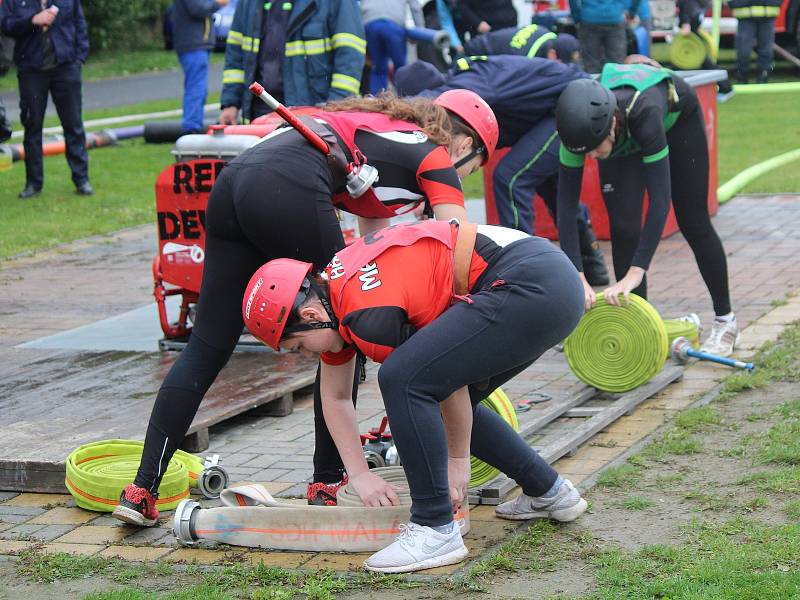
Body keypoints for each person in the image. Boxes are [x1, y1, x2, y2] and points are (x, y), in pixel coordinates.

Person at [112, 90, 500, 526]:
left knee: (207, 345)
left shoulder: (378, 127)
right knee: (344, 323)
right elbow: (458, 242)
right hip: (289, 184)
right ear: (466, 146)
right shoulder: (433, 155)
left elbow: (378, 241)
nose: (463, 176)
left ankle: (142, 489)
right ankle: (328, 480)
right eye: (472, 171)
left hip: (235, 179)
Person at [243, 219, 588, 574]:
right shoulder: (335, 294)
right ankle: (549, 491)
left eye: (298, 346)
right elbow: (335, 397)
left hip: (529, 284)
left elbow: (438, 382)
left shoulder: (368, 314)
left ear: (311, 315)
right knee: (424, 392)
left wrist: (457, 460)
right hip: (545, 280)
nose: (306, 356)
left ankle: (434, 528)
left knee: (403, 380)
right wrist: (359, 475)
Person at [555, 62, 740, 356]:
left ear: (610, 126)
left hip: (676, 122)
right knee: (624, 227)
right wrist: (577, 276)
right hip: (621, 135)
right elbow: (565, 208)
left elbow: (659, 201)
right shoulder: (577, 134)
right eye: (585, 152)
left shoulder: (645, 114)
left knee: (693, 221)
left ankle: (725, 321)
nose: (590, 157)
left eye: (594, 150)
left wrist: (635, 273)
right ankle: (639, 328)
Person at [395, 57, 610, 286]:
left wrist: (387, 110)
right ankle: (592, 262)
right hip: (548, 114)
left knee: (511, 178)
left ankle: (521, 269)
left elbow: (429, 102)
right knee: (545, 181)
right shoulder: (465, 88)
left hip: (574, 108)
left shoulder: (468, 84)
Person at [218, 0, 365, 124]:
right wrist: (230, 104)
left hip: (312, 116)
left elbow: (349, 59)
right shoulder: (248, 3)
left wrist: (335, 108)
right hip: (259, 115)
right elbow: (235, 56)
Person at [1, 0, 91, 199]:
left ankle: (82, 179)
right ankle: (33, 184)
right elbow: (6, 24)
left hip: (66, 68)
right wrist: (32, 20)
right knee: (32, 127)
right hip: (31, 70)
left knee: (74, 125)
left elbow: (79, 24)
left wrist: (79, 58)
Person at [173, 0, 229, 135]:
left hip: (196, 43)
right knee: (196, 88)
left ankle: (193, 126)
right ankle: (191, 129)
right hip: (193, 44)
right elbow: (197, 9)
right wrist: (218, 3)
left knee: (199, 88)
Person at [360, 0, 424, 95]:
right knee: (401, 68)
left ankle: (376, 100)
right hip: (394, 26)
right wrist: (421, 31)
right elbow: (415, 8)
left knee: (379, 68)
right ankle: (404, 98)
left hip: (370, 24)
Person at [676, 0, 734, 97]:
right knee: (700, 63)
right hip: (693, 30)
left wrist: (686, 24)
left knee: (704, 63)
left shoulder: (688, 3)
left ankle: (726, 87)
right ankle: (724, 87)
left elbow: (688, 8)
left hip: (690, 35)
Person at [569, 0, 639, 73]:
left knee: (591, 63)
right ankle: (616, 83)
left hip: (589, 18)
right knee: (616, 63)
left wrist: (576, 17)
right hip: (614, 17)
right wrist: (631, 13)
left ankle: (593, 83)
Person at [464, 24, 581, 64]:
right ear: (552, 54)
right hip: (472, 54)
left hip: (487, 40)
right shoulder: (523, 59)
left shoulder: (545, 32)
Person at [729, 0, 782, 84]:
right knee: (744, 50)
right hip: (745, 14)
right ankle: (742, 76)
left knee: (766, 50)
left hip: (767, 14)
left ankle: (763, 76)